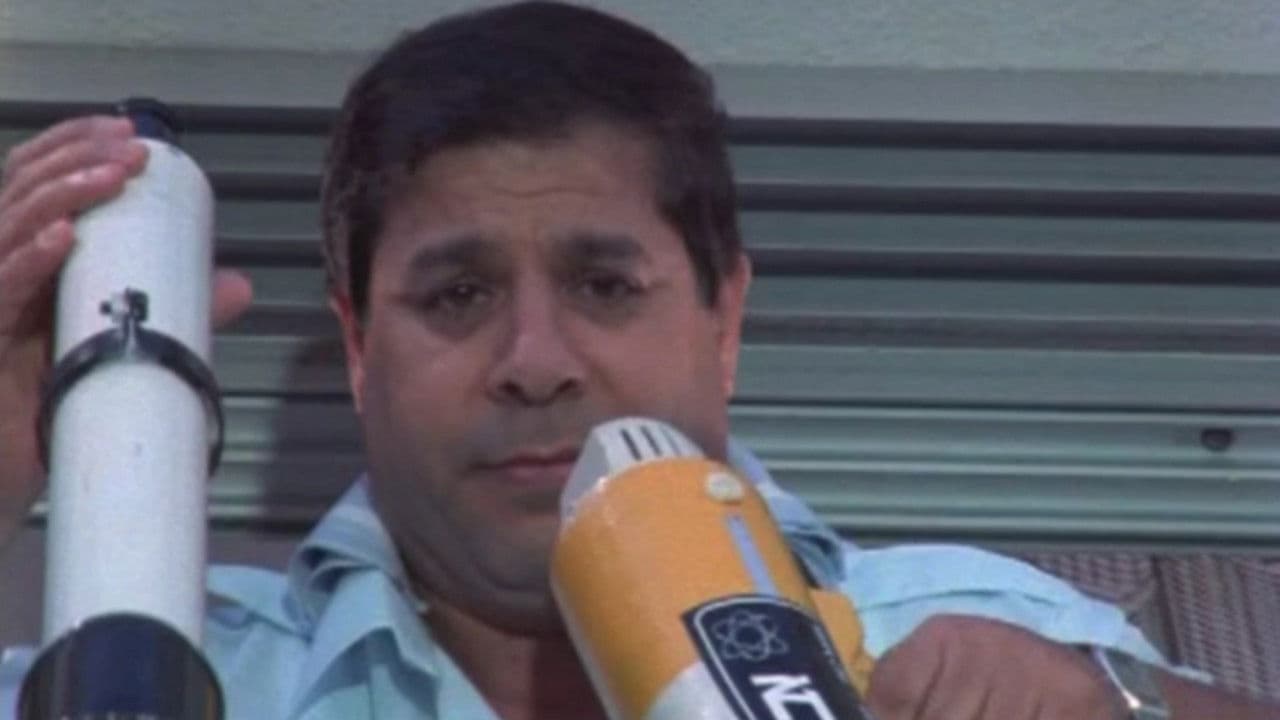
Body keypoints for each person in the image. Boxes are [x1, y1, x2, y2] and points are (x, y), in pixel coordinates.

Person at [0, 3, 1274, 718]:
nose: (533, 361)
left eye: (604, 285)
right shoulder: (150, 664)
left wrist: (1138, 713)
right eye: (457, 294)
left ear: (723, 320)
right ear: (356, 345)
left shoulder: (985, 642)